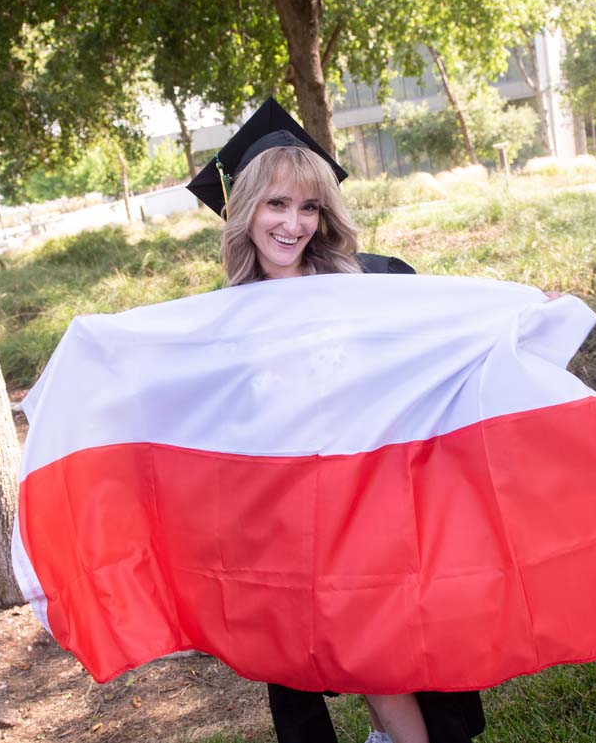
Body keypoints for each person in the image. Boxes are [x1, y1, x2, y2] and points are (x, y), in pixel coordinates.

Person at [188, 97, 486, 743]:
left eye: (308, 205)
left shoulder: (370, 284)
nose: (293, 222)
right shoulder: (223, 319)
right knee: (334, 664)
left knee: (388, 659)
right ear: (244, 211)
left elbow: (451, 334)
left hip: (373, 508)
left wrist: (519, 314)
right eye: (275, 203)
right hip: (288, 526)